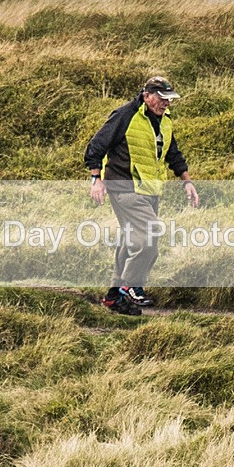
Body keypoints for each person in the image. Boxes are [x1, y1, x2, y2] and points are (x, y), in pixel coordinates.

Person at [84, 76, 199, 315]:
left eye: (169, 100)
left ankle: (114, 297)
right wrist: (96, 179)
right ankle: (131, 286)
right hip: (124, 187)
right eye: (161, 98)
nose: (166, 103)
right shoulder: (125, 115)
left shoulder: (165, 121)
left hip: (150, 190)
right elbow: (96, 146)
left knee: (131, 241)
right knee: (150, 234)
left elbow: (173, 154)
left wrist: (187, 182)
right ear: (147, 96)